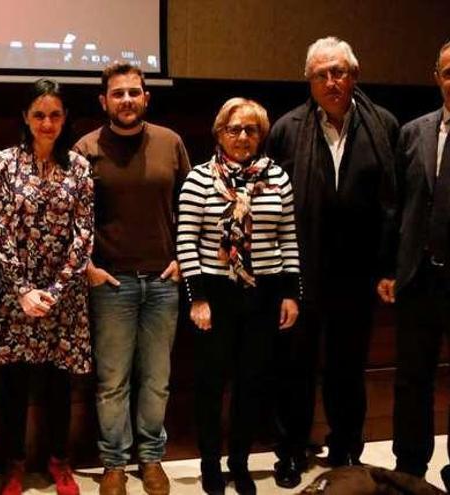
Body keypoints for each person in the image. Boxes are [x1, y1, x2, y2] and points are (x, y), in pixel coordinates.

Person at [266, 36, 398, 487]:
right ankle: (291, 449)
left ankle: (345, 448)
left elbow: (393, 205)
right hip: (301, 272)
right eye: (321, 74)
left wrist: (387, 266)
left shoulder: (384, 125)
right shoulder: (286, 129)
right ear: (309, 81)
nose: (330, 81)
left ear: (354, 75)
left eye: (338, 71)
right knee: (295, 367)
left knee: (348, 368)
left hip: (357, 273)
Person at [74, 62, 190, 495]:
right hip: (112, 284)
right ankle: (114, 462)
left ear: (147, 97)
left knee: (157, 378)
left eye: (134, 92)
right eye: (118, 94)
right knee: (112, 381)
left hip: (164, 281)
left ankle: (151, 457)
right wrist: (89, 267)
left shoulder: (171, 142)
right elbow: (75, 218)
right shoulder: (86, 148)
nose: (126, 100)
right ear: (104, 101)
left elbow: (191, 207)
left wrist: (183, 258)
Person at [178, 97, 300, 495]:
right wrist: (197, 298)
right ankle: (211, 464)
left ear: (261, 135)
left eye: (251, 129)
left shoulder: (278, 178)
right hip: (215, 293)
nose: (243, 137)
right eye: (234, 129)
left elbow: (288, 238)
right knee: (211, 385)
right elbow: (186, 241)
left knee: (252, 383)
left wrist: (290, 294)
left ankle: (240, 463)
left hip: (263, 293)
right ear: (219, 133)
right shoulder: (199, 178)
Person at [0, 78, 93, 495]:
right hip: (17, 295)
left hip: (63, 297)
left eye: (55, 115)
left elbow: (84, 233)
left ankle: (58, 461)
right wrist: (23, 290)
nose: (47, 123)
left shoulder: (80, 165)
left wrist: (57, 289)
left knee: (58, 386)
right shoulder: (4, 162)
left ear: (65, 118)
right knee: (13, 385)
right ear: (25, 118)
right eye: (39, 115)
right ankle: (14, 463)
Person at [380, 41, 450, 488]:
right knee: (411, 380)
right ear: (437, 76)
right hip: (419, 276)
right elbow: (395, 208)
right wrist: (390, 267)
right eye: (448, 71)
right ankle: (409, 468)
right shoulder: (413, 132)